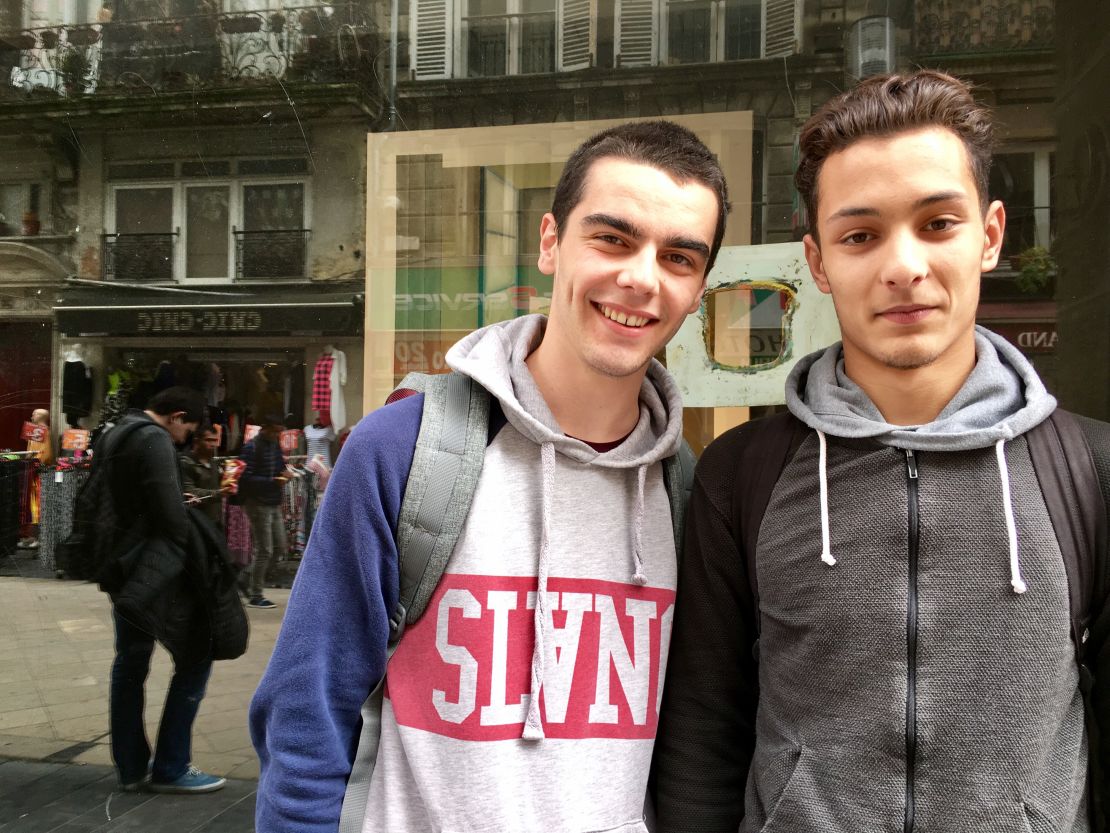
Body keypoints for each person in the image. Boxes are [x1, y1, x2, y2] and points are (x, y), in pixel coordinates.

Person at [652, 70, 1110, 832]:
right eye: (861, 234)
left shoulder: (1089, 471)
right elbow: (704, 734)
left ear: (990, 235)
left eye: (938, 224)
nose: (904, 266)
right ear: (819, 261)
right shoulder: (742, 475)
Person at [250, 119, 730, 832]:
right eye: (612, 238)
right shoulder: (404, 450)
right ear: (549, 242)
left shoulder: (689, 490)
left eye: (679, 257)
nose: (640, 276)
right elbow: (306, 717)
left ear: (697, 291)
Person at [104, 386, 227, 794]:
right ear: (175, 416)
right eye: (187, 428)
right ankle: (172, 766)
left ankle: (131, 767)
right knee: (196, 658)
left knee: (130, 663)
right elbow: (169, 519)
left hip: (121, 565)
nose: (185, 438)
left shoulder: (116, 431)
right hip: (153, 571)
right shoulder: (155, 438)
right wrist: (181, 508)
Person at [238, 415, 290, 610]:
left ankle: (244, 578)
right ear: (265, 427)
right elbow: (245, 477)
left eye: (279, 431)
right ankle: (256, 594)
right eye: (275, 431)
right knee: (264, 549)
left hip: (273, 501)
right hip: (257, 503)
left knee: (279, 547)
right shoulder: (251, 447)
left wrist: (284, 474)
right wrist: (272, 482)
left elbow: (279, 467)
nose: (278, 435)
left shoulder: (274, 445)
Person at [18, 408, 53, 549]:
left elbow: (46, 454)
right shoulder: (35, 432)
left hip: (38, 473)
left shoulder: (44, 432)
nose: (32, 415)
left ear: (41, 416)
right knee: (30, 505)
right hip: (31, 471)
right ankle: (30, 535)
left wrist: (34, 462)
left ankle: (37, 537)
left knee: (37, 505)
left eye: (35, 413)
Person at [180, 426, 225, 529]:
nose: (213, 444)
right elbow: (189, 492)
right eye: (209, 440)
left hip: (215, 519)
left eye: (215, 440)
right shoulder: (186, 462)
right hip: (196, 522)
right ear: (197, 441)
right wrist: (219, 493)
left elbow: (219, 485)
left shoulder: (213, 462)